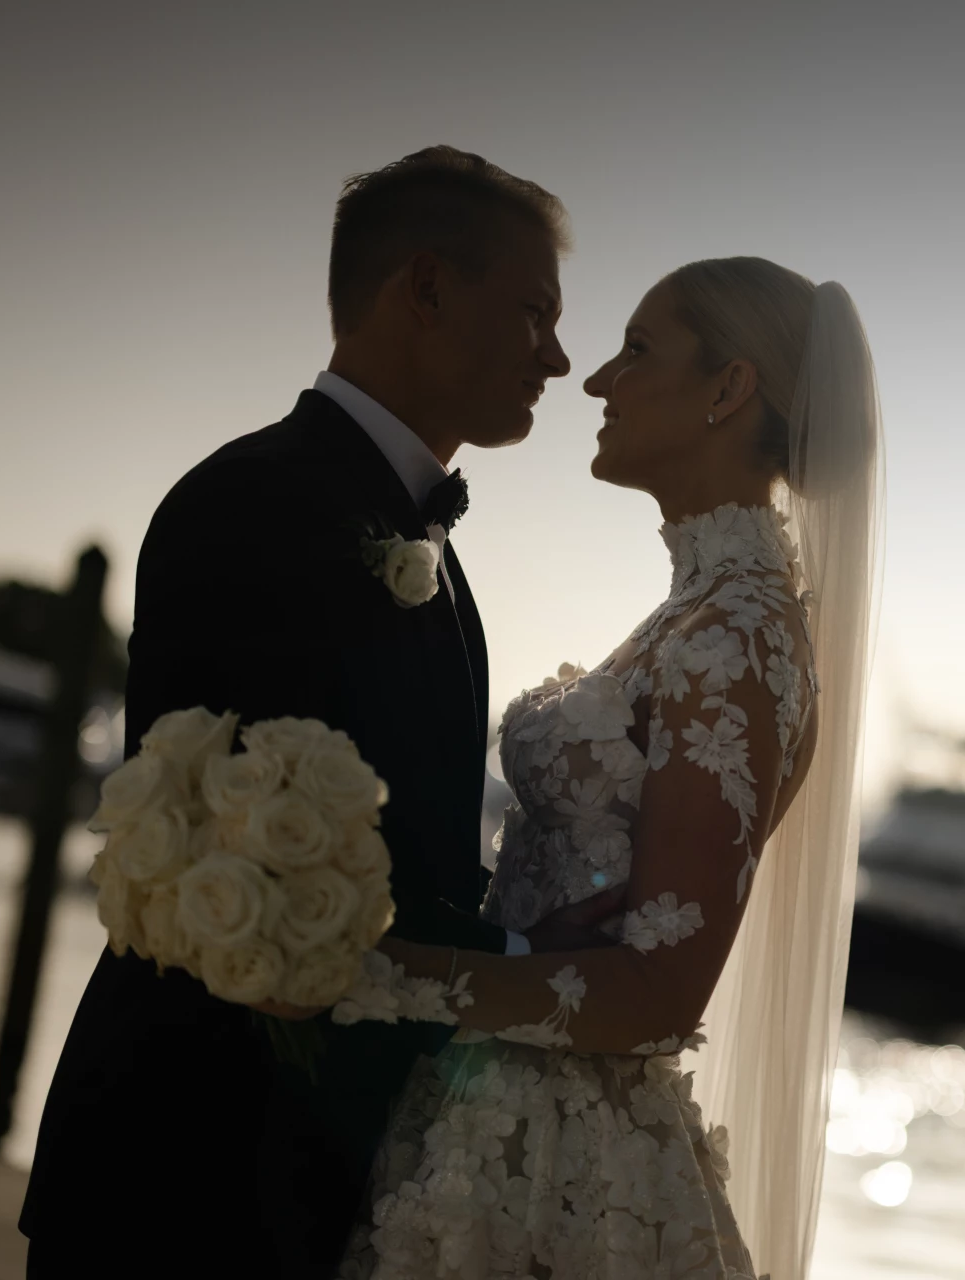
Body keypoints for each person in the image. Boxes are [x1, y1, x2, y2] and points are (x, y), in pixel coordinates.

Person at [20, 147, 623, 1279]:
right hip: (182, 1176)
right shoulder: (249, 505)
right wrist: (532, 958)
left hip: (315, 1183)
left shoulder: (430, 546)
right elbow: (246, 876)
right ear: (429, 288)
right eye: (536, 312)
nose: (557, 354)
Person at [330, 256, 883, 1279]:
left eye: (637, 350)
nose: (595, 381)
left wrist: (364, 975)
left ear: (730, 388)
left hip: (564, 1177)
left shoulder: (738, 639)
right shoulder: (697, 613)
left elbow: (662, 994)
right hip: (489, 1110)